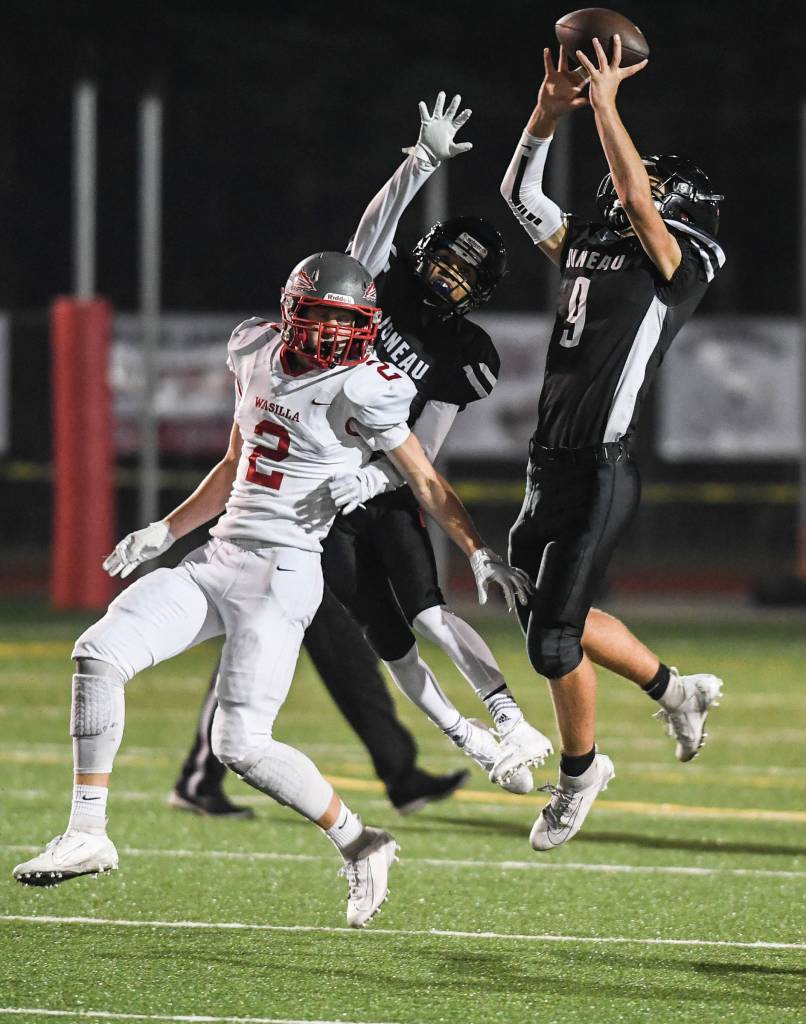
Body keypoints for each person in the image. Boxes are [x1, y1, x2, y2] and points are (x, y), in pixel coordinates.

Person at [12, 251, 529, 928]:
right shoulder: (253, 348)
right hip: (221, 555)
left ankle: (361, 840)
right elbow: (235, 462)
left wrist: (478, 549)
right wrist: (164, 532)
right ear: (290, 313)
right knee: (97, 654)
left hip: (284, 577)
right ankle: (88, 832)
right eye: (319, 319)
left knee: (241, 745)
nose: (330, 337)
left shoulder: (370, 385)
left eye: (345, 323)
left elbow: (427, 481)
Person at [499, 38, 726, 850]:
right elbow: (519, 193)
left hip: (603, 465)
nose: (645, 190)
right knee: (547, 608)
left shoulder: (685, 259)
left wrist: (605, 103)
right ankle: (674, 689)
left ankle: (580, 771)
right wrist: (545, 115)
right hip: (548, 459)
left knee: (551, 639)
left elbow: (637, 201)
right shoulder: (595, 243)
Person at [317, 92, 555, 792]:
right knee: (388, 640)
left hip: (383, 481)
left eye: (464, 276)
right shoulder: (375, 286)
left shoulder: (463, 353)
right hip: (316, 482)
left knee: (428, 612)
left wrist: (473, 546)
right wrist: (420, 162)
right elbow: (370, 231)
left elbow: (424, 457)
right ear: (425, 254)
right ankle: (473, 742)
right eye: (446, 262)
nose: (449, 278)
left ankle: (507, 715)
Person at [171, 588, 468, 819]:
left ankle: (401, 774)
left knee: (354, 663)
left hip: (313, 560)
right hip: (277, 561)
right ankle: (199, 781)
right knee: (248, 663)